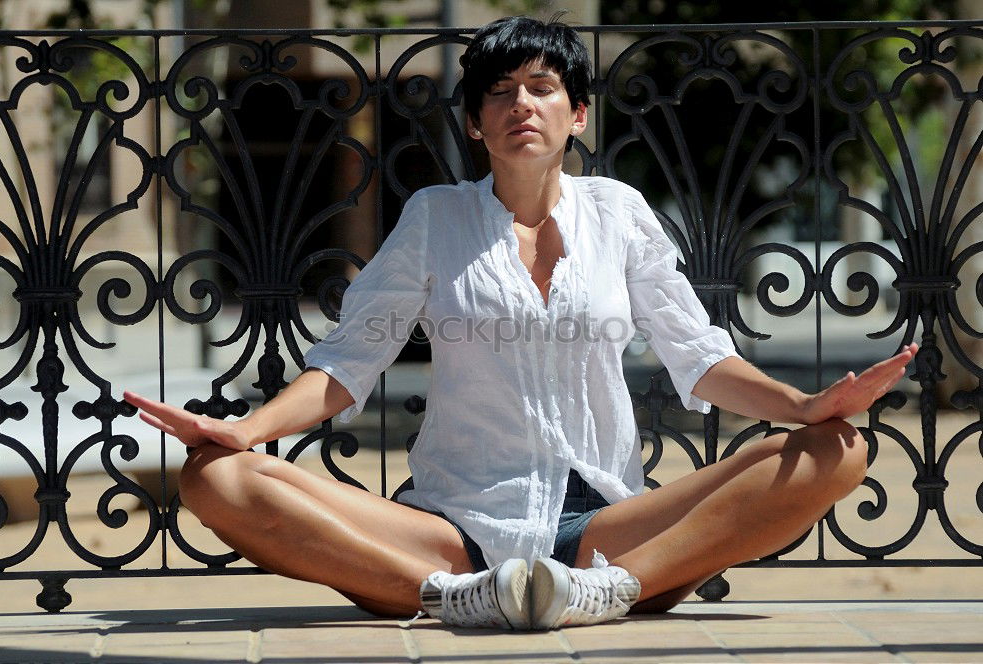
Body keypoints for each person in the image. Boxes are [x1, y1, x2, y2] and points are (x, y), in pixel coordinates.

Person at [125, 16, 918, 630]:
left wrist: (808, 408)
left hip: (604, 526)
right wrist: (247, 430)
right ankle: (449, 599)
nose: (520, 106)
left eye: (540, 87)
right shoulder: (436, 218)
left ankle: (606, 591)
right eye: (498, 93)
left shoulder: (619, 213)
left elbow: (700, 357)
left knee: (837, 450)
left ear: (577, 114)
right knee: (214, 478)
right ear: (474, 124)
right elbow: (345, 365)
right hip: (450, 528)